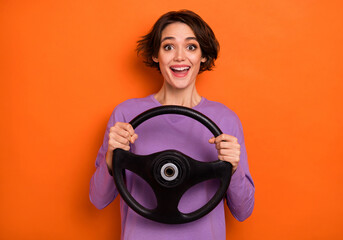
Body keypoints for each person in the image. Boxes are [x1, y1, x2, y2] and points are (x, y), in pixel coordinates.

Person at [89, 9, 255, 240]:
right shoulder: (126, 114)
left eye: (191, 47)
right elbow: (98, 200)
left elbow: (243, 211)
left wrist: (234, 168)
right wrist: (111, 157)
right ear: (156, 55)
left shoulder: (225, 119)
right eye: (168, 46)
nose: (179, 57)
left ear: (203, 56)